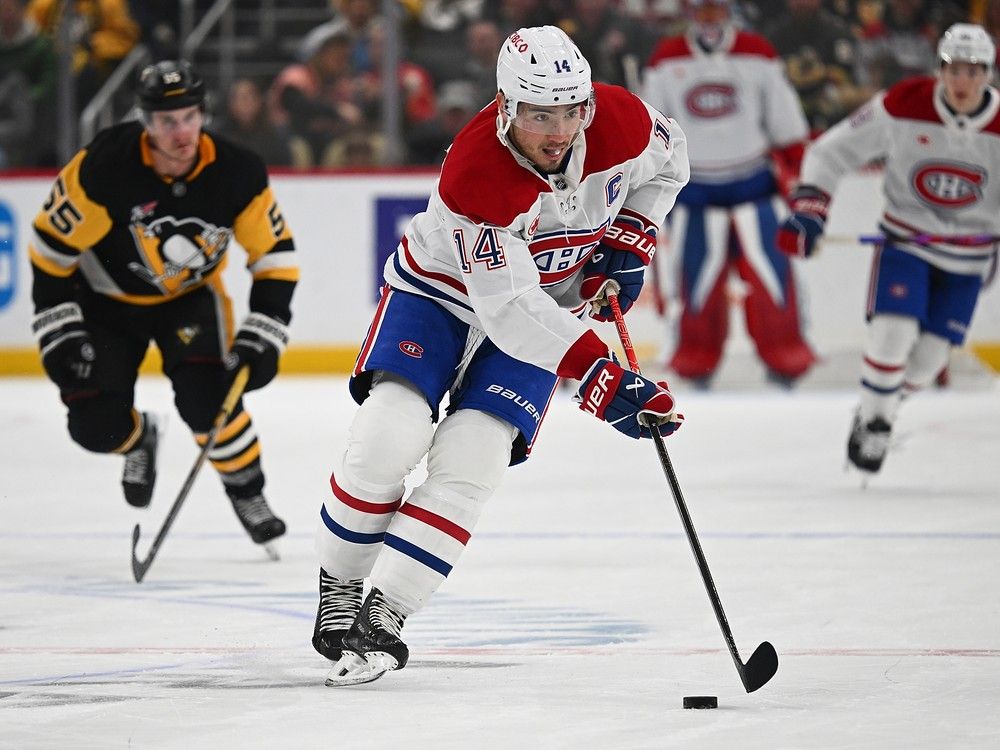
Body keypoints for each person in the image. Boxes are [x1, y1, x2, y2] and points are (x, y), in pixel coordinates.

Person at [312, 25, 689, 686]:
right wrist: (600, 377)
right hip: (440, 297)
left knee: (475, 458)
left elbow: (672, 156)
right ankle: (341, 586)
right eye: (540, 114)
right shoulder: (476, 172)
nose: (559, 130)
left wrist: (633, 233)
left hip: (545, 310)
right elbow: (509, 309)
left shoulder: (623, 120)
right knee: (386, 439)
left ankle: (389, 611)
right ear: (507, 108)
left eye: (571, 111)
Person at [28, 60, 298, 548]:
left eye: (190, 117)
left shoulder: (236, 172)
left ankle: (247, 491)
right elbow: (50, 248)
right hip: (105, 300)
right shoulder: (103, 167)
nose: (181, 132)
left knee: (211, 400)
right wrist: (59, 328)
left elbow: (274, 257)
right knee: (95, 427)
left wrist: (267, 329)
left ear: (203, 115)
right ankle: (139, 439)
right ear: (145, 122)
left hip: (190, 300)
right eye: (168, 121)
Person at [776, 23, 1000, 476]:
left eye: (973, 72)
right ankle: (876, 423)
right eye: (954, 70)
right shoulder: (903, 104)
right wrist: (810, 207)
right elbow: (831, 151)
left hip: (969, 258)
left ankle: (881, 406)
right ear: (939, 69)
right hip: (907, 242)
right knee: (893, 331)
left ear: (988, 74)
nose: (962, 82)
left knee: (930, 358)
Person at [642, 0, 816, 387]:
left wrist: (801, 185)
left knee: (775, 284)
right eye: (702, 10)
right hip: (694, 196)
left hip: (755, 188)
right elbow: (652, 135)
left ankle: (786, 364)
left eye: (715, 10)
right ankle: (695, 366)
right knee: (696, 291)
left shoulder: (758, 53)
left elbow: (788, 128)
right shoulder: (666, 59)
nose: (709, 19)